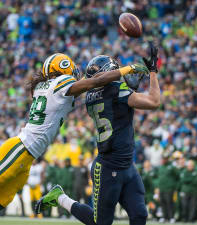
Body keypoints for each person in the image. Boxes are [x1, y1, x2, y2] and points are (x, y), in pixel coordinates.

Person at [0, 52, 148, 225]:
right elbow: (95, 82)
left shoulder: (43, 86)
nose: (75, 72)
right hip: (20, 148)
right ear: (62, 70)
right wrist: (126, 70)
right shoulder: (59, 83)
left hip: (28, 153)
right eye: (71, 69)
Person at [36, 42, 161, 225]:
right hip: (109, 167)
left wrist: (129, 88)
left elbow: (111, 102)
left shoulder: (91, 96)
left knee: (139, 215)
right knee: (101, 223)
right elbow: (154, 101)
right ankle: (60, 198)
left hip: (125, 165)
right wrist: (153, 72)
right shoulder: (117, 91)